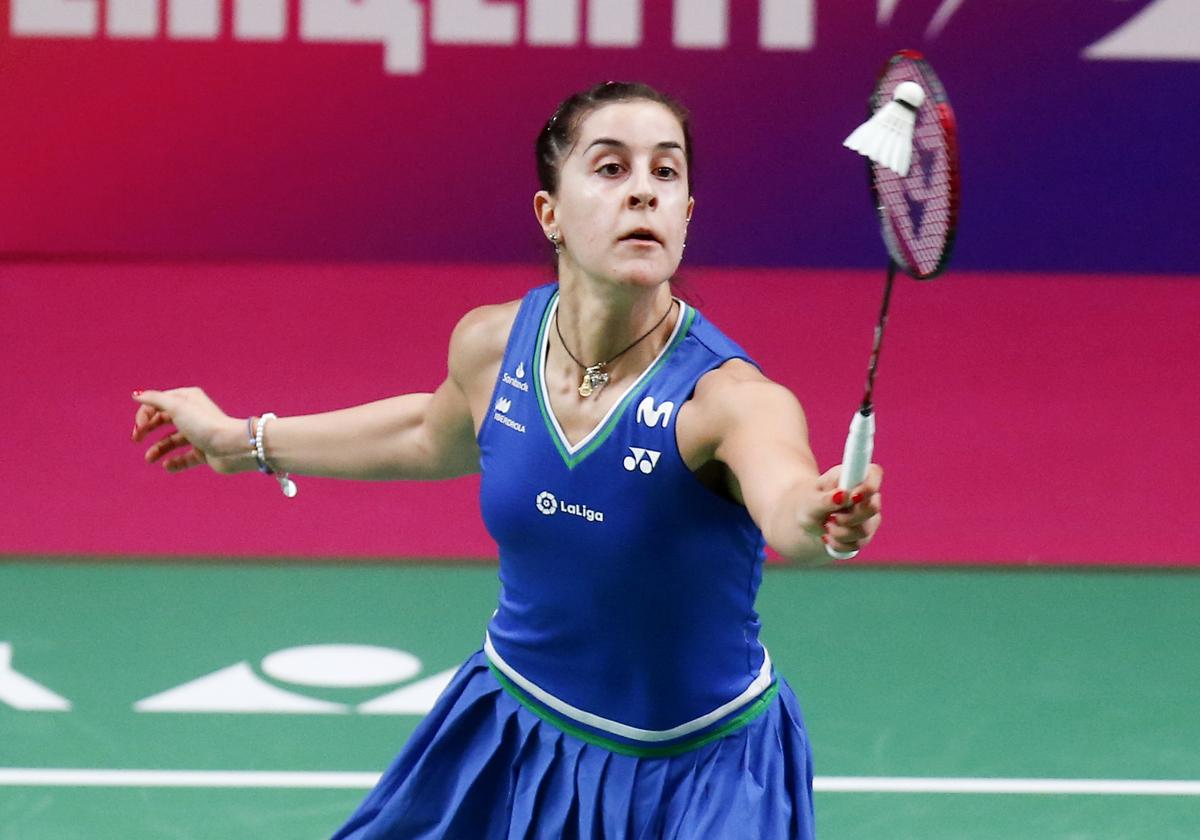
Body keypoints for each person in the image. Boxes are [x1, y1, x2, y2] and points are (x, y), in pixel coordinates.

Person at [131, 81, 882, 839]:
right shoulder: (493, 346)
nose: (644, 194)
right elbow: (430, 434)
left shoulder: (728, 400)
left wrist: (823, 520)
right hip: (516, 738)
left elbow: (790, 509)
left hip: (697, 774)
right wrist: (243, 440)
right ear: (549, 214)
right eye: (611, 168)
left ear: (687, 216)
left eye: (666, 172)